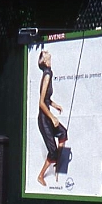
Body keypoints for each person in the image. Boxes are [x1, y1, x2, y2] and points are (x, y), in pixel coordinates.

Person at [36, 50, 67, 186]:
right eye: (44, 53)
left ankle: (57, 162)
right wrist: (53, 117)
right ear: (44, 61)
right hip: (44, 120)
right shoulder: (47, 74)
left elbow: (47, 99)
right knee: (52, 151)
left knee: (63, 133)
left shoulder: (48, 73)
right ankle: (41, 175)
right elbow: (41, 103)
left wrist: (55, 105)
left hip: (47, 116)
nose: (47, 52)